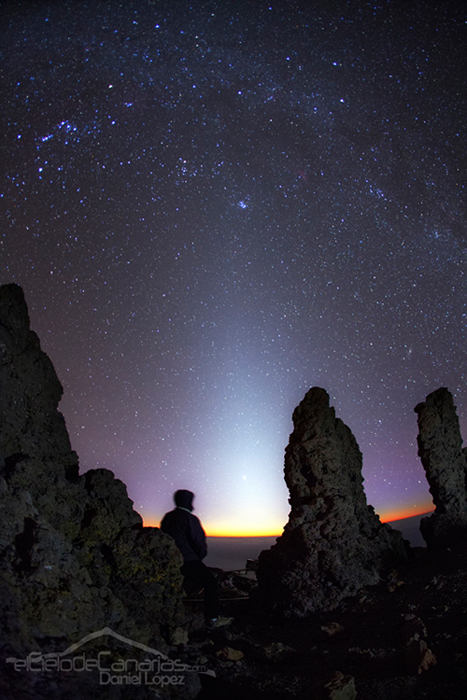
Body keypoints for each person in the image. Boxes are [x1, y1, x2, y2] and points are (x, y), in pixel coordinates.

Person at [160, 489, 232, 628]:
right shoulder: (189, 519)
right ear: (189, 502)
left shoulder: (168, 517)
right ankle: (213, 619)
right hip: (188, 560)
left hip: (168, 560)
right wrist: (197, 558)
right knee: (211, 583)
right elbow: (198, 542)